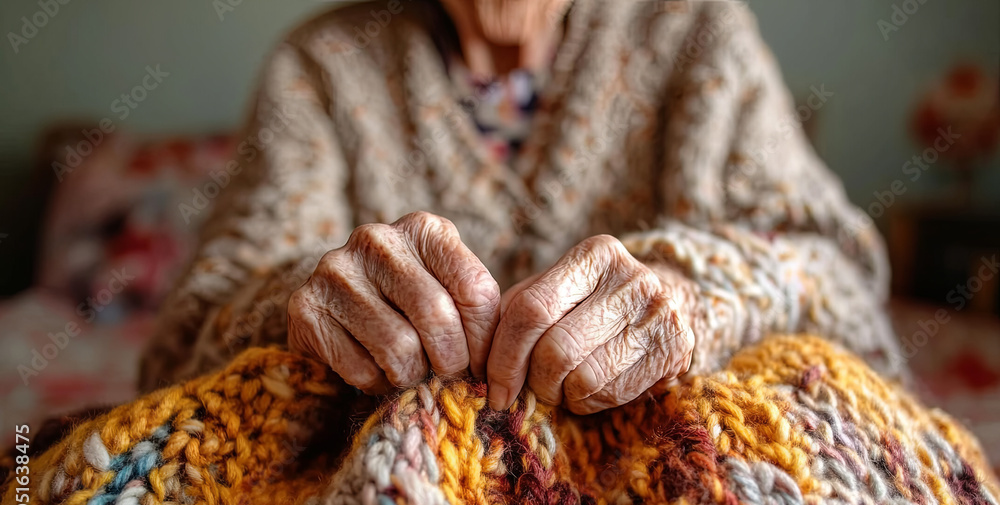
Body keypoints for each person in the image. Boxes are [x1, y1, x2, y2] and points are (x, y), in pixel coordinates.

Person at [140, 0, 900, 415]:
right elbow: (185, 338)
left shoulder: (696, 32)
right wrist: (300, 302)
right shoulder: (322, 64)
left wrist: (697, 295)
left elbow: (839, 277)